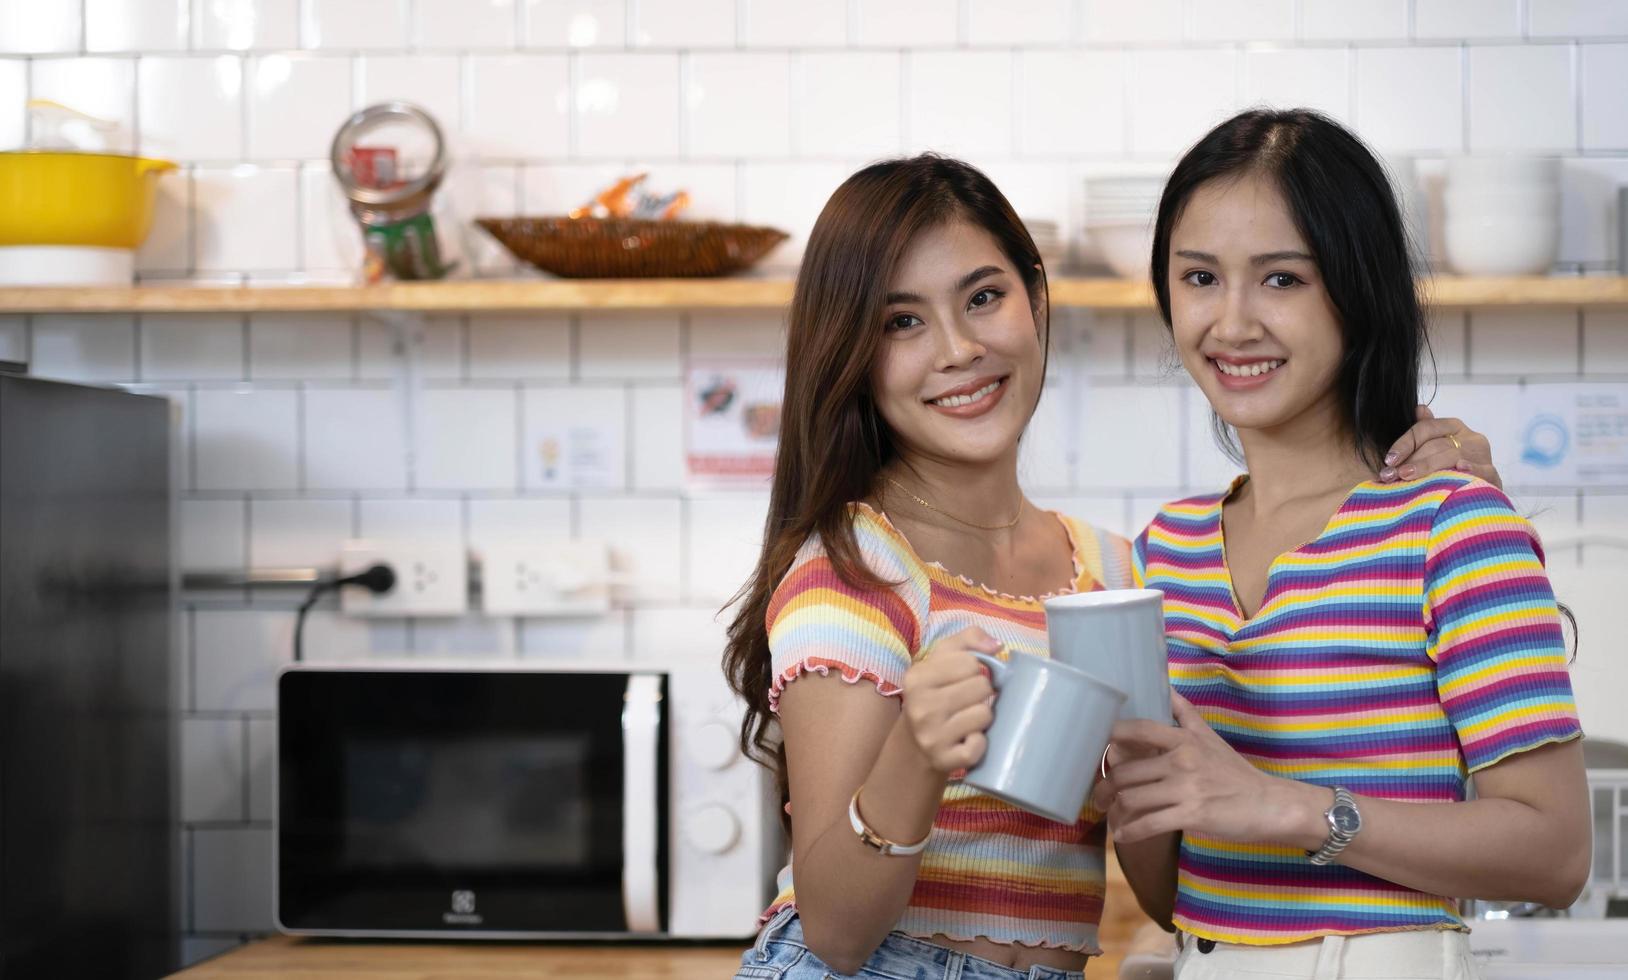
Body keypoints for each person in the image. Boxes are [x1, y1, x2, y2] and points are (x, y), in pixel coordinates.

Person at [722, 151, 1502, 980]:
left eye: (983, 298)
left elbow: (1171, 892)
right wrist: (916, 755)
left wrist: (1150, 791)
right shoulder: (854, 571)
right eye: (900, 322)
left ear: (1035, 298)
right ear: (853, 352)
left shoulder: (1111, 569)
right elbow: (838, 932)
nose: (957, 349)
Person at [1099, 109, 1590, 980]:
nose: (1234, 322)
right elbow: (1171, 889)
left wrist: (1283, 808)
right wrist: (1112, 778)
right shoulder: (1161, 553)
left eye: (1282, 279)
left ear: (1358, 292)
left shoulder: (1454, 524)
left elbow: (1553, 853)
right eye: (1201, 277)